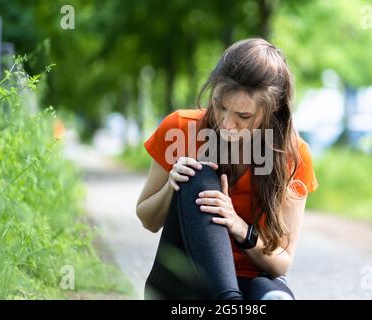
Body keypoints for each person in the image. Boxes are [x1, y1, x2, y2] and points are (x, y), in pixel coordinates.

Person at [136, 38, 318, 300]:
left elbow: (281, 261)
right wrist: (172, 186)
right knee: (196, 173)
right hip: (187, 281)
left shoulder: (293, 155)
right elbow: (148, 220)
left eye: (243, 116)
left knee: (268, 293)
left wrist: (239, 226)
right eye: (220, 106)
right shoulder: (180, 129)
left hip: (253, 281)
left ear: (271, 112)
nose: (226, 123)